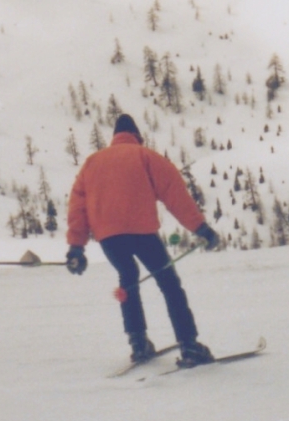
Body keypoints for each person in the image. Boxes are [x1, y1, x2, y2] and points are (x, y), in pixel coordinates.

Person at [66, 114, 221, 366]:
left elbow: (77, 207)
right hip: (142, 232)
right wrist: (200, 227)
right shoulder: (146, 156)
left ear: (114, 138)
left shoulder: (91, 163)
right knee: (169, 284)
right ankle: (189, 345)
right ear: (136, 136)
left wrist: (76, 248)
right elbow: (175, 195)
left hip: (109, 238)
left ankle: (138, 343)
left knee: (128, 279)